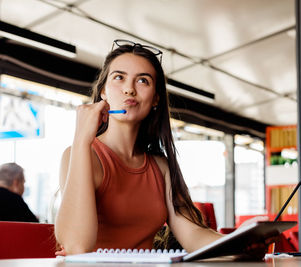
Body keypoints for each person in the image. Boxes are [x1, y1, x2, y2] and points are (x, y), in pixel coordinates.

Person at [55, 39, 270, 257]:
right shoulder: (80, 154)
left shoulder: (161, 167)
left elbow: (193, 234)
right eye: (119, 77)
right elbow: (77, 247)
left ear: (155, 98)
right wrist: (82, 138)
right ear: (103, 92)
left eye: (143, 81)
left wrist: (241, 242)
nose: (129, 89)